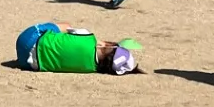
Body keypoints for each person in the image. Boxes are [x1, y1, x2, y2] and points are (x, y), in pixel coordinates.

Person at [14, 23, 142, 75]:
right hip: (27, 64)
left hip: (28, 39)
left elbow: (68, 30)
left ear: (106, 45)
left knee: (66, 25)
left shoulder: (88, 36)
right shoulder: (90, 69)